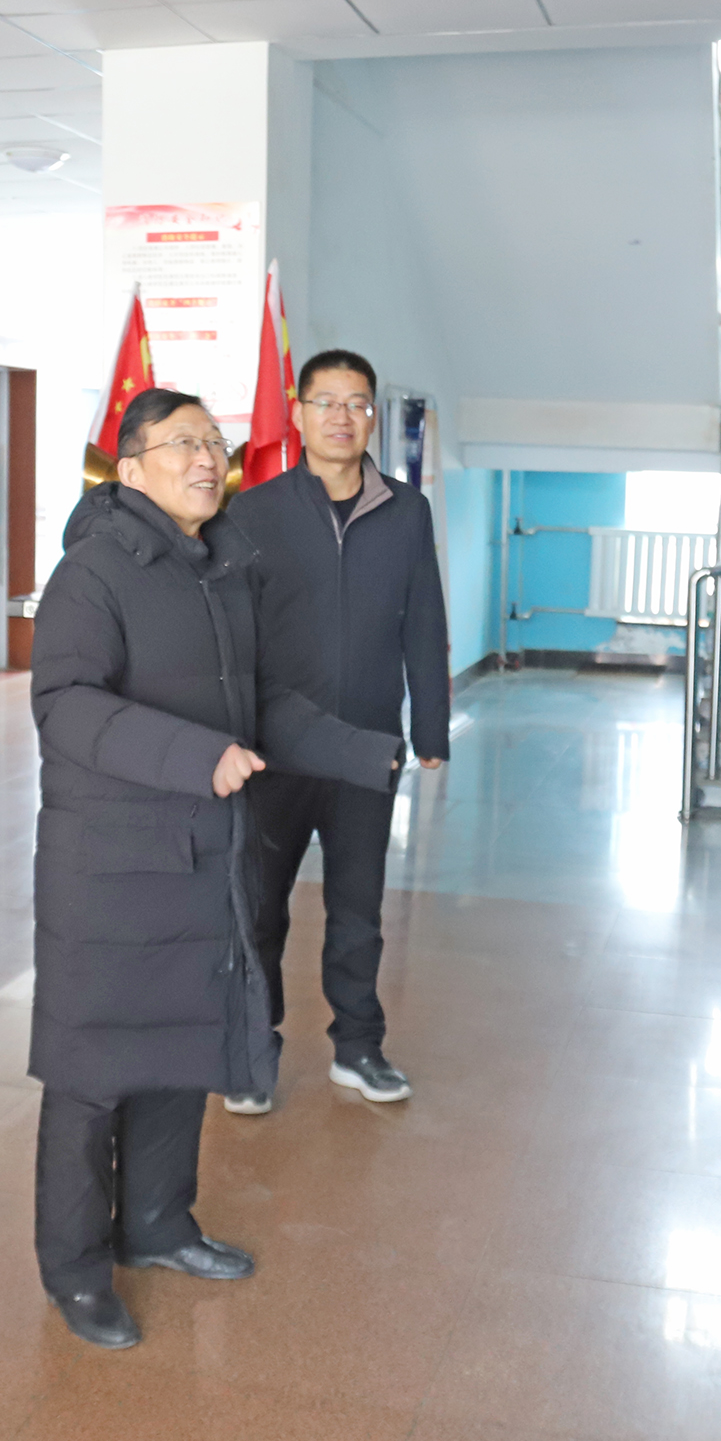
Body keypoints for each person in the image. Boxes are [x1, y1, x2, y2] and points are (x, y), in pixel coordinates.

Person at [29, 389, 404, 1350]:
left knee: (181, 1048)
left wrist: (365, 752)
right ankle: (76, 1269)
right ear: (129, 468)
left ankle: (158, 1224)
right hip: (109, 866)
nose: (208, 457)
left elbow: (257, 703)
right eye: (183, 443)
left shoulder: (222, 566)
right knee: (92, 1071)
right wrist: (196, 757)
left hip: (201, 852)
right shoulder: (91, 573)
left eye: (214, 440)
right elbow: (66, 705)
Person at [228, 348, 448, 1112]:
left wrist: (432, 728)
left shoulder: (406, 512)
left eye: (356, 402)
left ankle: (358, 1047)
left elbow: (425, 621)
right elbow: (234, 636)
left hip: (366, 747)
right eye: (326, 401)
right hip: (276, 751)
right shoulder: (253, 512)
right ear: (298, 413)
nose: (341, 416)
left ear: (372, 416)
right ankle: (251, 1049)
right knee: (259, 907)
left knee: (359, 908)